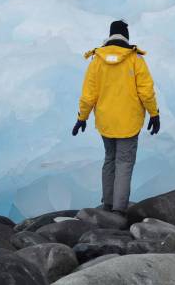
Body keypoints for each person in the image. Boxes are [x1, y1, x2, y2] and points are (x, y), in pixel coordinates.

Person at [72, 20, 160, 215]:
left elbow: (88, 96)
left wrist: (82, 118)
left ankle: (107, 203)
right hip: (129, 121)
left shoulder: (96, 61)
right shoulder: (135, 60)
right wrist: (154, 114)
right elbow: (146, 92)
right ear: (126, 36)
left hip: (106, 121)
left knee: (110, 159)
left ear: (110, 35)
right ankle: (119, 208)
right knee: (124, 161)